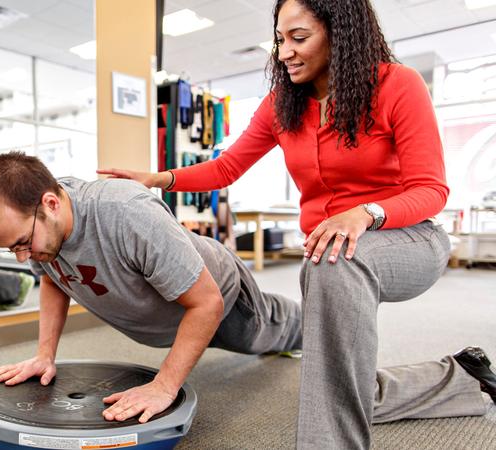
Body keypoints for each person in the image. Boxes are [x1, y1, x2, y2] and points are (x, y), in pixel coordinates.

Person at [98, 0, 496, 448]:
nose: (285, 51)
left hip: (408, 238)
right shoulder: (282, 104)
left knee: (331, 271)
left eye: (299, 38)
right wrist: (161, 178)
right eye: (280, 39)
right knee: (338, 378)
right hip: (333, 252)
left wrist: (365, 212)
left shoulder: (397, 85)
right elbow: (227, 167)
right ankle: (461, 377)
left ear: (341, 34)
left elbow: (430, 190)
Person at [0, 152, 302, 424]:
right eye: (11, 248)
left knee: (273, 333)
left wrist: (164, 386)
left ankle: (325, 317)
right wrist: (45, 355)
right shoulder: (40, 231)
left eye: (23, 243)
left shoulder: (127, 214)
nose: (22, 256)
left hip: (224, 299)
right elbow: (52, 278)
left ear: (51, 204)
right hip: (170, 318)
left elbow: (207, 303)